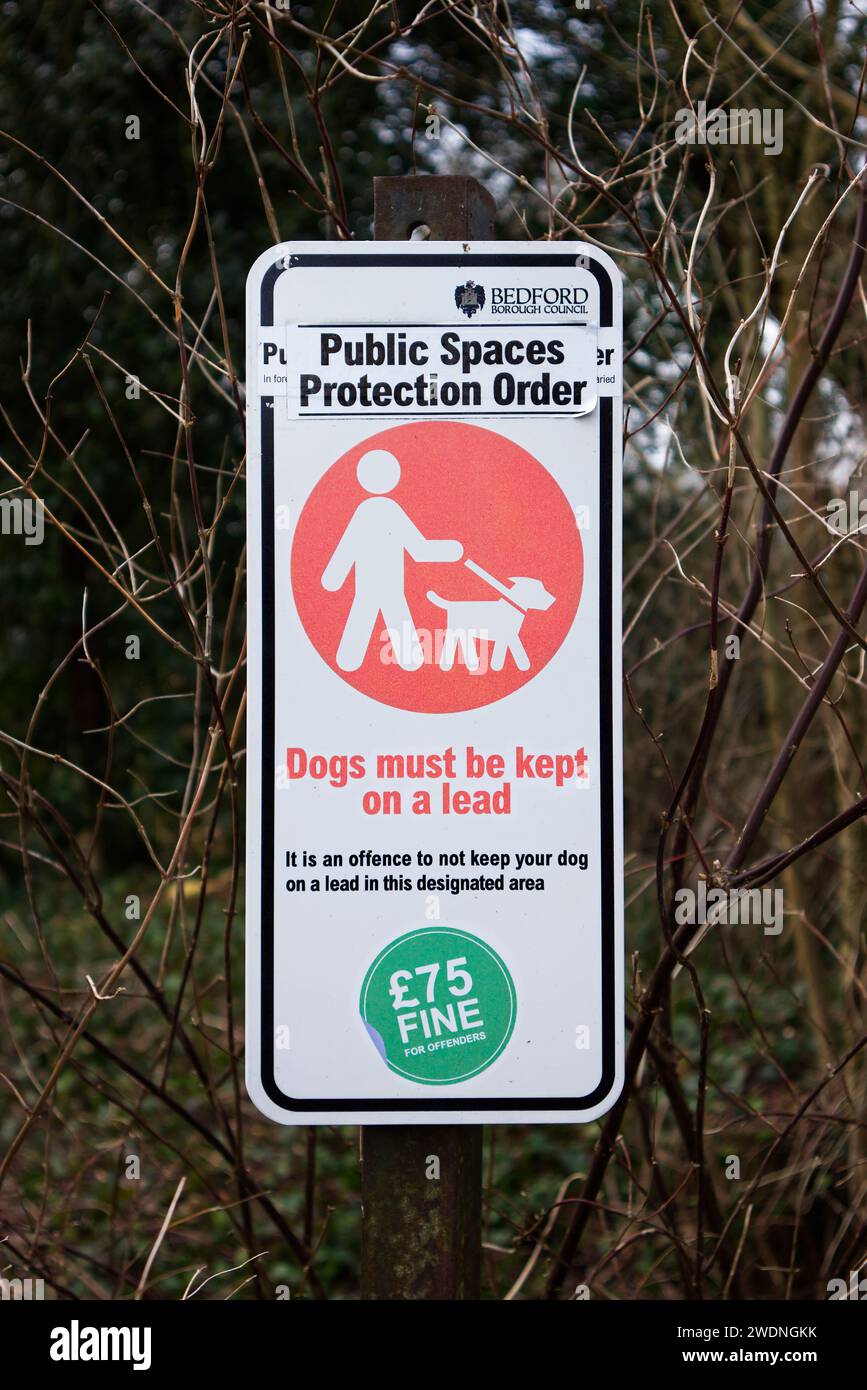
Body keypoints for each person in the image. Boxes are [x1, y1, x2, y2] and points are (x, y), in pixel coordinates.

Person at [321, 449, 462, 671]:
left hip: (377, 587)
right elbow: (419, 549)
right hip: (387, 587)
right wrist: (451, 551)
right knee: (387, 620)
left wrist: (334, 577)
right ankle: (359, 662)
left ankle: (352, 662)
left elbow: (348, 548)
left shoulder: (370, 511)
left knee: (368, 619)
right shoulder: (386, 511)